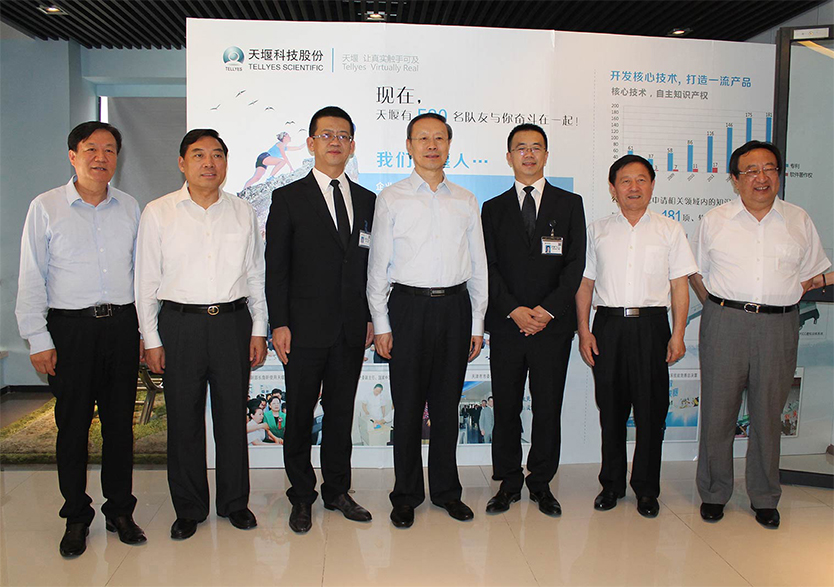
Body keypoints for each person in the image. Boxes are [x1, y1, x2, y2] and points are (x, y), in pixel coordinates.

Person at [15, 121, 146, 557]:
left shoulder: (130, 207)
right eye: (91, 149)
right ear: (73, 156)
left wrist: (144, 331)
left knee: (119, 426)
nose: (100, 157)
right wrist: (37, 338)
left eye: (109, 149)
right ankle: (75, 515)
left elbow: (141, 274)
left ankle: (120, 510)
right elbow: (31, 275)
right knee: (72, 426)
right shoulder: (46, 207)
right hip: (70, 330)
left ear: (117, 158)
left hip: (122, 326)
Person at [135, 129, 268, 540]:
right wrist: (151, 338)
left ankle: (234, 503)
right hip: (180, 325)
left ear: (226, 163)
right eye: (198, 155)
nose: (209, 163)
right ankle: (189, 508)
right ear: (182, 163)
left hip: (232, 323)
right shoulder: (158, 212)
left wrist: (259, 328)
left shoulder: (243, 211)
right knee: (184, 420)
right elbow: (145, 281)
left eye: (217, 155)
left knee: (232, 417)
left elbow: (255, 274)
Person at [689, 141, 829, 528]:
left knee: (768, 415)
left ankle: (765, 496)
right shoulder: (715, 220)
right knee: (718, 412)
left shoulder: (798, 219)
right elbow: (696, 272)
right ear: (735, 180)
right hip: (725, 322)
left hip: (778, 326)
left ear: (779, 175)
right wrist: (717, 307)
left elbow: (812, 273)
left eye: (769, 168)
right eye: (751, 170)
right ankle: (714, 492)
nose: (761, 177)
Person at [367, 112, 488, 528]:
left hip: (455, 309)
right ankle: (405, 495)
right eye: (423, 138)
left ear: (449, 145)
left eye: (439, 138)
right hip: (407, 308)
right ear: (409, 146)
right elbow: (378, 267)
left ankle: (447, 492)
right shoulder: (392, 198)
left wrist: (476, 323)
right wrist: (382, 323)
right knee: (407, 409)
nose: (432, 145)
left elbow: (479, 267)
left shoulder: (465, 200)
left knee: (446, 407)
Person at [265, 106, 376, 533]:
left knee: (340, 414)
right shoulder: (288, 198)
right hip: (303, 330)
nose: (335, 142)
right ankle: (301, 495)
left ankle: (337, 491)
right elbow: (277, 268)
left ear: (352, 145)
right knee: (298, 416)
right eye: (326, 135)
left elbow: (370, 267)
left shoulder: (367, 200)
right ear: (311, 143)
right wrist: (279, 323)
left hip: (350, 329)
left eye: (343, 135)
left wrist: (370, 318)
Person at [576, 154, 697, 518]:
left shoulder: (669, 230)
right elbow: (585, 284)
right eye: (625, 181)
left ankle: (646, 489)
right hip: (608, 326)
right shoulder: (597, 230)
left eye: (641, 179)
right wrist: (584, 331)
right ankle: (611, 485)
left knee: (651, 412)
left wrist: (678, 333)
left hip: (652, 327)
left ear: (652, 185)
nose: (633, 187)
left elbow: (680, 286)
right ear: (612, 189)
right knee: (611, 412)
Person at [480, 123, 586, 516]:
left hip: (551, 328)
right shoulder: (492, 208)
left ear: (546, 155)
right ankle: (508, 482)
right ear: (509, 157)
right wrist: (514, 310)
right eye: (520, 148)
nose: (528, 154)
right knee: (506, 408)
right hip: (507, 326)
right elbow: (487, 266)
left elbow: (575, 264)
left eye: (536, 147)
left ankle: (541, 482)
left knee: (547, 408)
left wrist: (546, 311)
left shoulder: (569, 203)